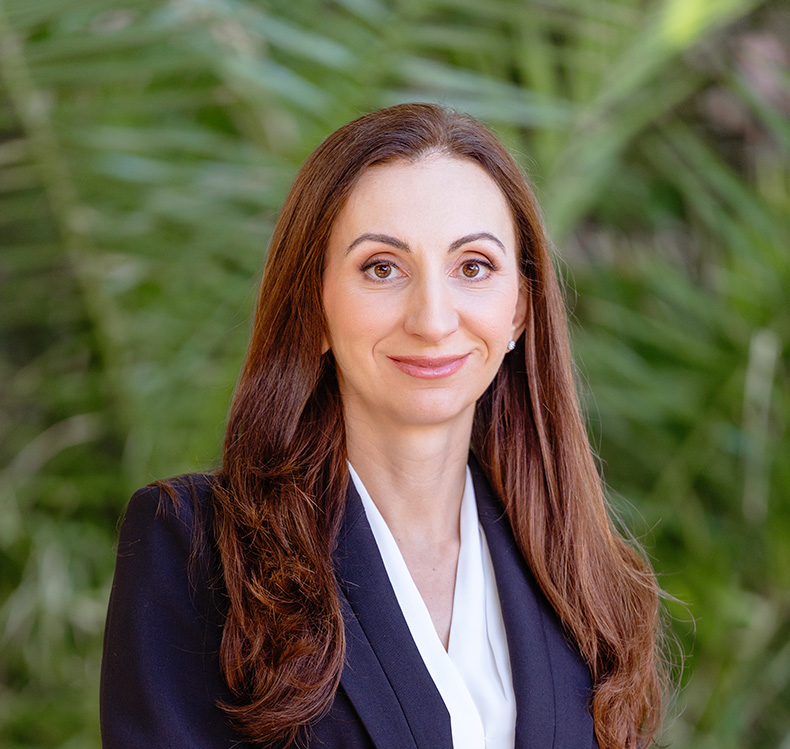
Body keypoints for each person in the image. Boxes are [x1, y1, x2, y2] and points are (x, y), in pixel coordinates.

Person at [100, 103, 666, 749]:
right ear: (313, 307)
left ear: (518, 312)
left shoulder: (582, 578)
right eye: (382, 268)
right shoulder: (198, 547)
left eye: (473, 266)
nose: (432, 318)